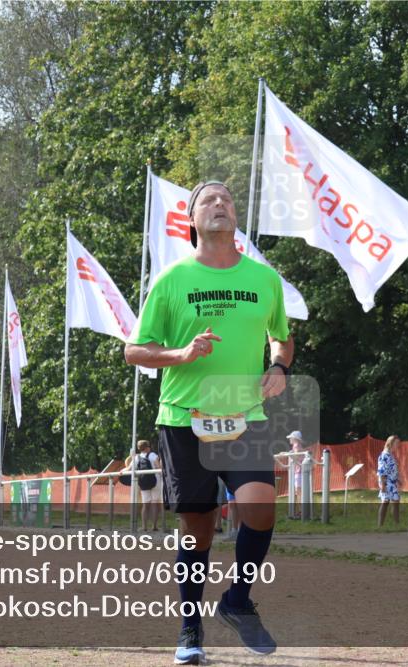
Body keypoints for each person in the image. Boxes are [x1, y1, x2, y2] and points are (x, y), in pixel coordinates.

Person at [125, 180, 294, 663]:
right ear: (192, 220)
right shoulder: (172, 281)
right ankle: (190, 630)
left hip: (245, 417)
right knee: (197, 528)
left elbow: (281, 337)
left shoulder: (265, 280)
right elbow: (133, 349)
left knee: (260, 509)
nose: (220, 204)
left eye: (227, 200)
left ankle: (237, 602)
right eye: (208, 201)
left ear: (235, 216)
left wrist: (278, 367)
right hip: (185, 420)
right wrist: (180, 353)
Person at [131, 440, 161, 531]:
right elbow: (159, 467)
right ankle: (154, 526)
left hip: (143, 482)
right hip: (155, 481)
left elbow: (130, 468)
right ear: (147, 447)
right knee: (154, 504)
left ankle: (144, 526)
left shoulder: (137, 457)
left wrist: (122, 472)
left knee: (145, 505)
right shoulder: (152, 455)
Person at [378, 435, 401, 527]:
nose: (398, 445)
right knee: (385, 502)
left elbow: (392, 469)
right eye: (397, 443)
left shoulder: (390, 455)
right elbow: (382, 470)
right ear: (390, 443)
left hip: (392, 482)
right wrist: (383, 485)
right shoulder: (384, 455)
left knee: (395, 502)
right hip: (387, 482)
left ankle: (396, 524)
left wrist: (397, 480)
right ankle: (380, 525)